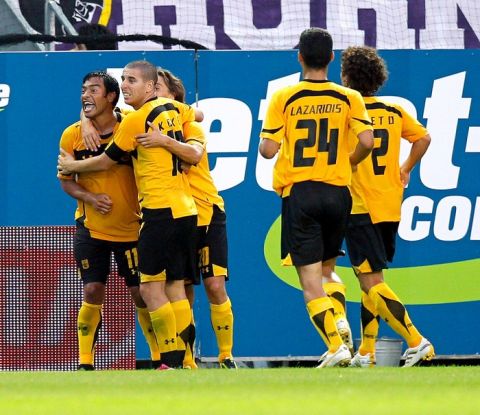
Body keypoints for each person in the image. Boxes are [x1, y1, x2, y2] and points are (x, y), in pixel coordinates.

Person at [58, 60, 202, 369]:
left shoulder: (133, 122)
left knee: (148, 289)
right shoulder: (172, 109)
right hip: (182, 210)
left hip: (153, 216)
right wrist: (85, 120)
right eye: (123, 79)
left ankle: (170, 360)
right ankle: (184, 363)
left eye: (131, 80)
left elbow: (107, 161)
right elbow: (196, 116)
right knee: (173, 286)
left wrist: (72, 166)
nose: (125, 85)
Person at [259, 28, 374, 368]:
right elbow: (367, 141)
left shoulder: (285, 97)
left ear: (300, 57)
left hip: (302, 192)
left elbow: (267, 151)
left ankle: (336, 343)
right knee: (329, 270)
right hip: (339, 193)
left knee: (310, 283)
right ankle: (339, 328)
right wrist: (346, 162)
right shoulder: (348, 97)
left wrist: (276, 142)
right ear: (332, 58)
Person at [135, 68, 237, 369]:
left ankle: (226, 355)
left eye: (161, 90)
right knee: (181, 288)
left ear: (174, 98)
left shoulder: (189, 125)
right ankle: (186, 360)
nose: (155, 97)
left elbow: (193, 153)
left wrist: (164, 140)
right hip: (178, 216)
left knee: (215, 286)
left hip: (206, 211)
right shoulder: (142, 129)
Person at [57, 71, 160, 370]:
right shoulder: (72, 134)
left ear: (111, 97)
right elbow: (66, 180)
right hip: (92, 228)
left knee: (141, 294)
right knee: (92, 290)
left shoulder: (129, 124)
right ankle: (85, 363)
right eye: (83, 90)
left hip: (131, 229)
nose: (86, 95)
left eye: (94, 90)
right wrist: (90, 198)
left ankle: (158, 360)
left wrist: (90, 120)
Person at [340, 46, 434, 368]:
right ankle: (366, 352)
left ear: (347, 77)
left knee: (372, 282)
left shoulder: (347, 112)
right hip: (390, 205)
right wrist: (405, 168)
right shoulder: (393, 111)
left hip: (359, 205)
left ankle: (416, 340)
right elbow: (423, 138)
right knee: (370, 278)